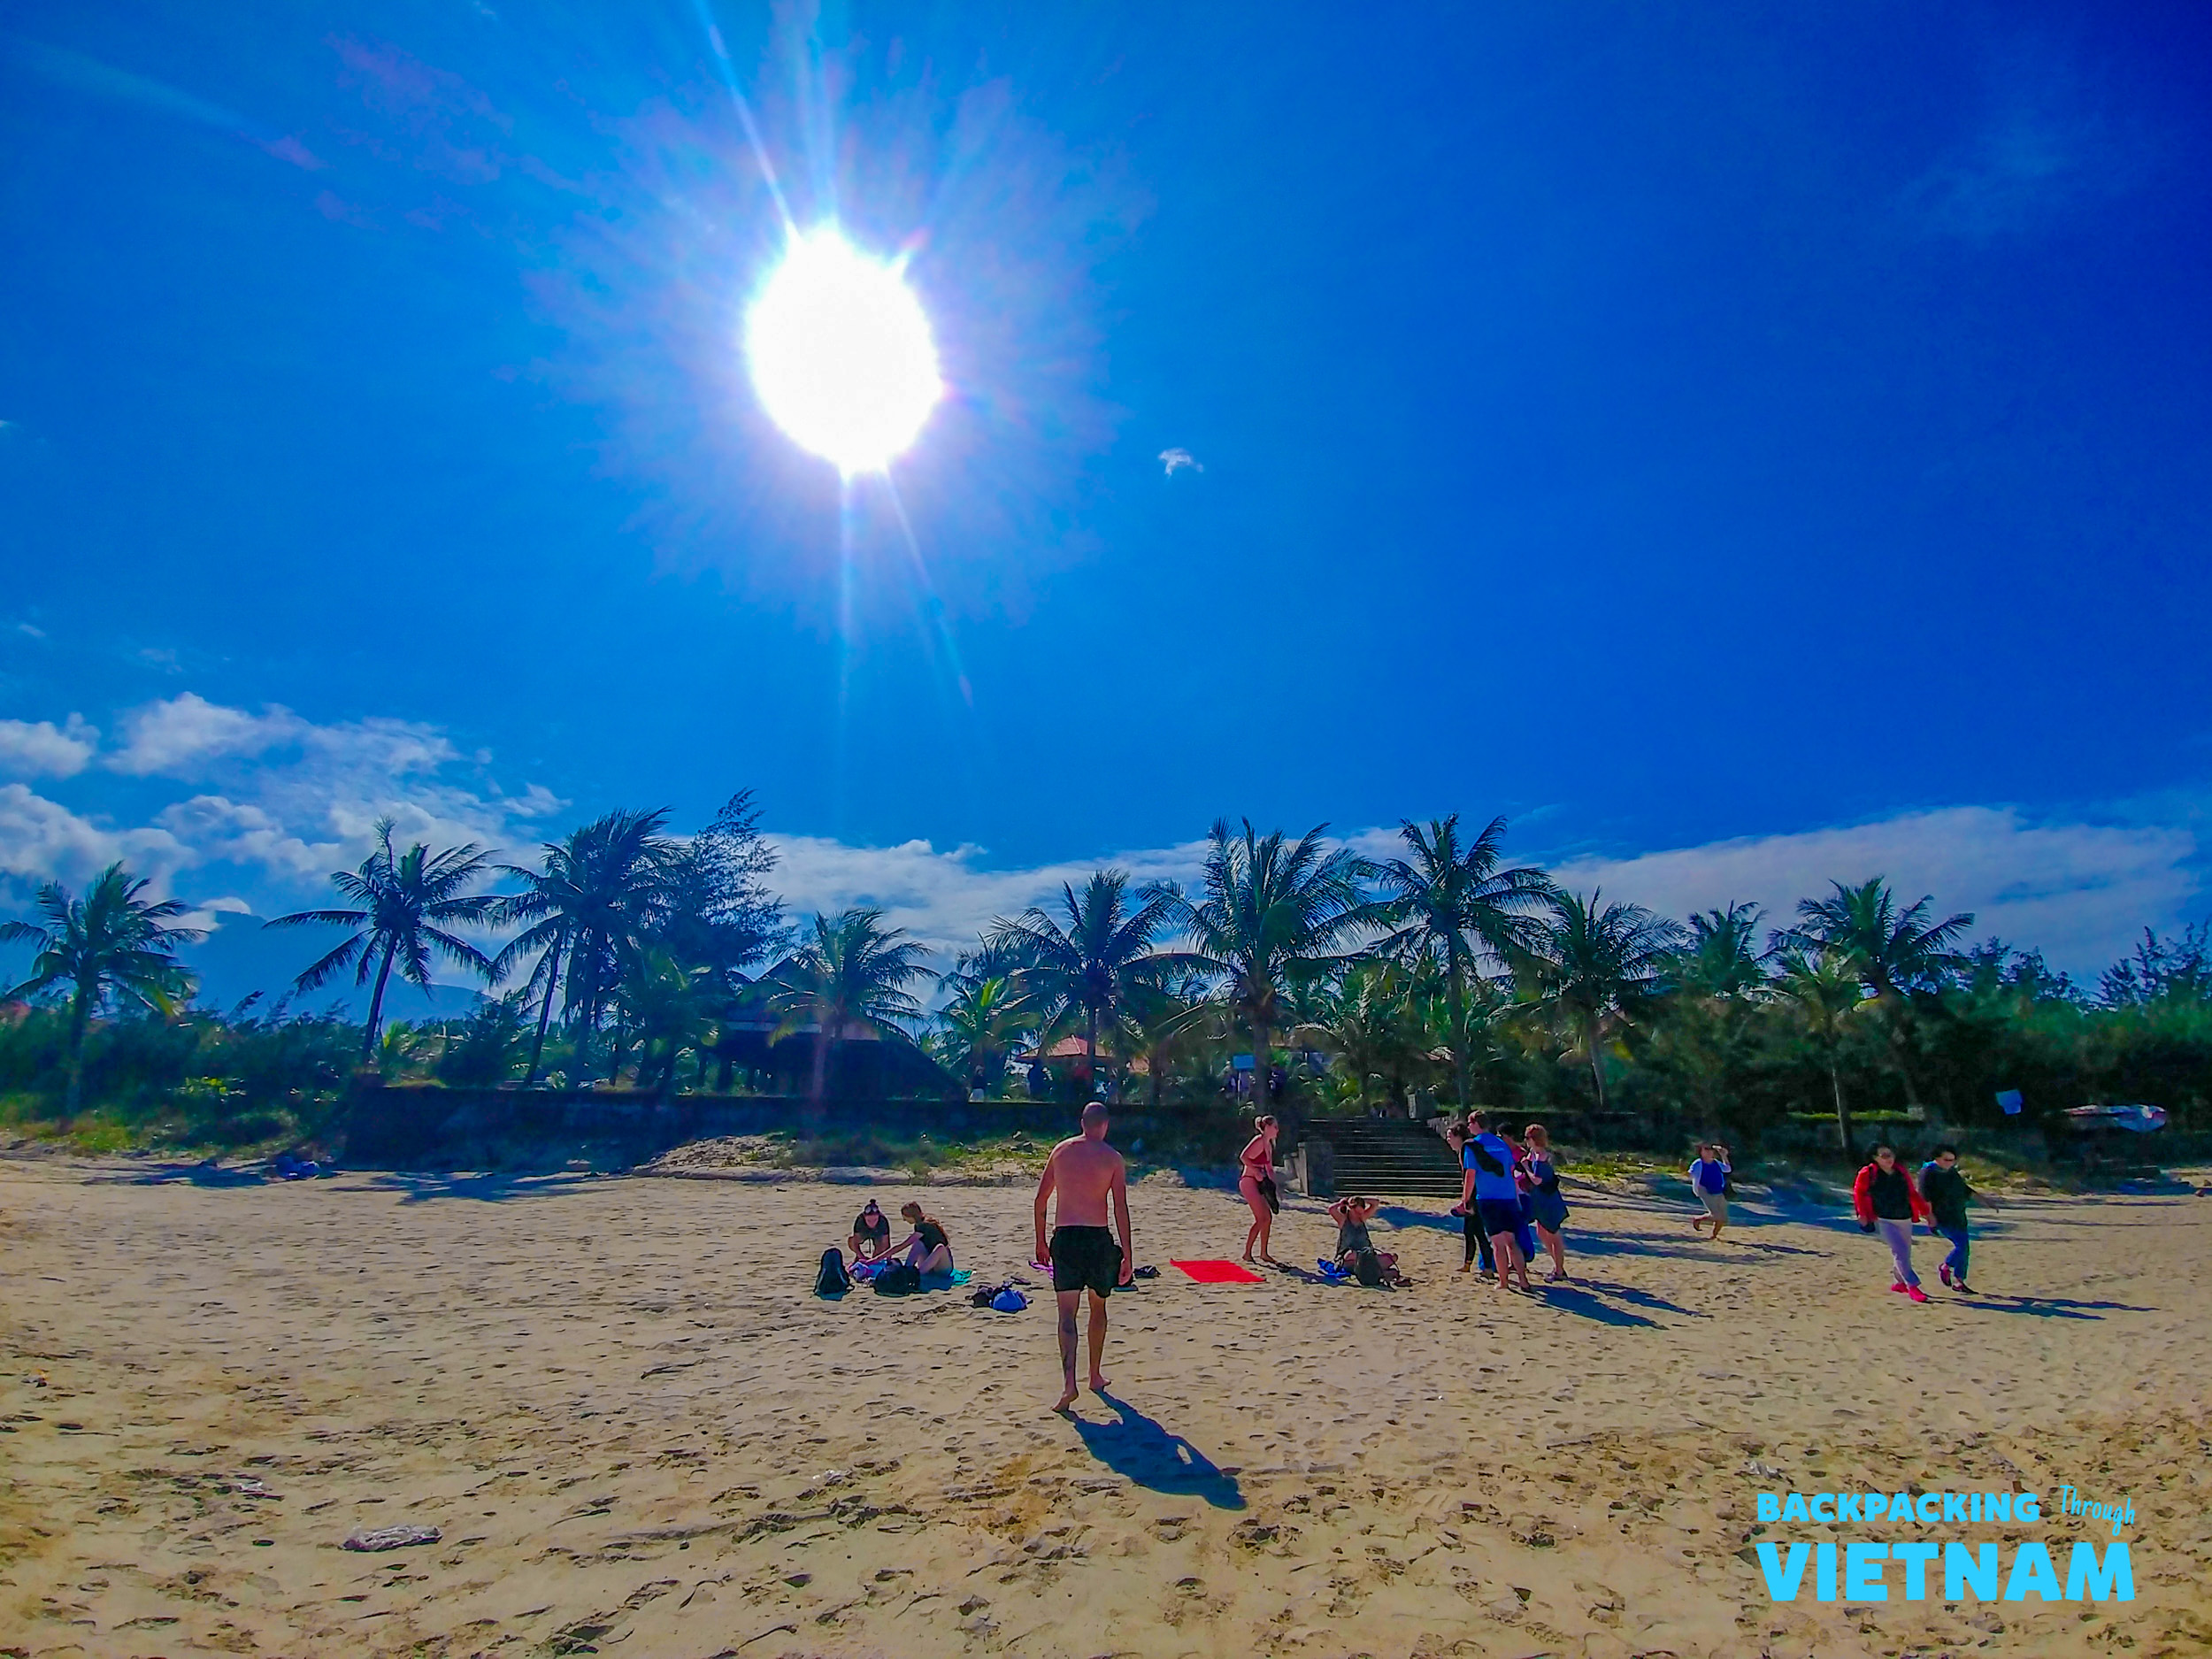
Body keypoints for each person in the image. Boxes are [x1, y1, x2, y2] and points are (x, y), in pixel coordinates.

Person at [1033, 1102, 1135, 1412]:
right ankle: (1094, 1375)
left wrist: (1040, 1241)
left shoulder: (1061, 1151)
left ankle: (1068, 1385)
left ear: (1082, 1122)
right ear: (1105, 1125)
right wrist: (1128, 1255)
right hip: (1097, 1239)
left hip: (1065, 1237)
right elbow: (1120, 1208)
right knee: (1098, 1306)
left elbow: (1040, 1201)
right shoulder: (1113, 1159)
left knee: (1066, 1314)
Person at [1852, 1142, 1933, 1302]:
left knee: (1905, 1252)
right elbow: (1859, 1194)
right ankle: (1913, 1286)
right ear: (1875, 1158)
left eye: (1891, 1155)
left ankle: (1899, 1283)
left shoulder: (1900, 1171)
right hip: (1883, 1218)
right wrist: (1862, 1214)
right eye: (1884, 1156)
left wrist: (1926, 1212)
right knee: (1900, 1251)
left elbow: (1912, 1193)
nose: (1889, 1159)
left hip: (1904, 1216)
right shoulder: (1868, 1173)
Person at [1463, 1111, 1532, 1291]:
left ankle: (1504, 1282)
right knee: (1511, 1240)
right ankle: (1523, 1280)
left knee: (1498, 1243)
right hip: (1508, 1196)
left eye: (1470, 1123)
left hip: (1488, 1197)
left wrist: (1465, 1199)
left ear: (1476, 1124)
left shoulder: (1473, 1146)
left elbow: (1470, 1174)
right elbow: (1510, 1169)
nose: (1468, 1127)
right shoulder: (1501, 1143)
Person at [1918, 1144, 1996, 1293]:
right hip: (1942, 1216)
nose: (1950, 1163)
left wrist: (1985, 1201)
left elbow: (1964, 1189)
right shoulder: (1927, 1173)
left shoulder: (1951, 1172)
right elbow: (1924, 1198)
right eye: (1947, 1160)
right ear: (1937, 1158)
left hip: (1958, 1214)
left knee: (1965, 1249)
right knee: (1961, 1246)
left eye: (1953, 1160)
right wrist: (1930, 1218)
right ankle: (1945, 1266)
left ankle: (1960, 1281)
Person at [1444, 1124, 1496, 1276]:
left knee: (1477, 1233)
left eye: (1450, 1137)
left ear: (1459, 1137)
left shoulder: (1466, 1150)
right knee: (1471, 1232)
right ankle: (1469, 1264)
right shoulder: (1467, 1149)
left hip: (1475, 1197)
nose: (1448, 1140)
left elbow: (1470, 1177)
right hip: (1476, 1195)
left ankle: (1486, 1267)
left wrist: (1466, 1201)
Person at [1521, 1124, 1571, 1281]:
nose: (1526, 1141)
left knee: (1553, 1234)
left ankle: (1559, 1270)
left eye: (1528, 1138)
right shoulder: (1534, 1154)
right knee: (1542, 1232)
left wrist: (1526, 1168)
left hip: (1549, 1201)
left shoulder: (1543, 1156)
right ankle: (1557, 1266)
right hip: (1540, 1201)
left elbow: (1537, 1180)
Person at [1325, 1194, 1404, 1284]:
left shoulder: (1362, 1218)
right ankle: (1381, 1272)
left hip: (1367, 1256)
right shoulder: (1343, 1220)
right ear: (1351, 1209)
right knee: (1353, 1255)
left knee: (1393, 1257)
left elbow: (1375, 1203)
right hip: (1348, 1257)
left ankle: (1378, 1271)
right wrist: (1344, 1202)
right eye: (1357, 1212)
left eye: (1361, 1212)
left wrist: (1361, 1199)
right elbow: (1332, 1209)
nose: (1360, 1215)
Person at [1237, 1113, 1282, 1266]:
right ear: (1267, 1127)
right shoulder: (1258, 1140)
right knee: (1261, 1218)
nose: (1277, 1130)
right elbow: (1243, 1157)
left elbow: (1269, 1167)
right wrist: (1255, 1171)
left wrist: (1275, 1187)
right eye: (1275, 1127)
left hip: (1259, 1183)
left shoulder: (1268, 1145)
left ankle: (1264, 1253)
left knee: (1268, 1218)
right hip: (1249, 1181)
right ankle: (1247, 1253)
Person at [887, 1202, 955, 1277]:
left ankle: (917, 1275)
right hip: (929, 1263)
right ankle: (907, 1269)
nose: (904, 1220)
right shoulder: (918, 1225)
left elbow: (903, 1245)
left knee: (940, 1247)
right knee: (918, 1243)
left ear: (911, 1216)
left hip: (943, 1267)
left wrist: (878, 1258)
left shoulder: (925, 1226)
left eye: (905, 1217)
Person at [1688, 1142, 1732, 1240]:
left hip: (1718, 1191)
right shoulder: (1698, 1163)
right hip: (1704, 1190)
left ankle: (1714, 1236)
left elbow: (1727, 1169)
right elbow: (1690, 1174)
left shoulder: (1716, 1162)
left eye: (1710, 1150)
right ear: (1701, 1152)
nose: (1709, 1152)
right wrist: (1684, 1171)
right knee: (1716, 1215)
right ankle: (1697, 1219)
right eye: (1706, 1149)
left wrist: (1724, 1156)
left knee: (1723, 1218)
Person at [849, 1198, 892, 1263]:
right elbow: (855, 1242)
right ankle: (859, 1258)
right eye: (869, 1220)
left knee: (881, 1247)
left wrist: (887, 1260)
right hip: (864, 1231)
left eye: (875, 1220)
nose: (872, 1223)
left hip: (878, 1232)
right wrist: (861, 1256)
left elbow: (887, 1245)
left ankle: (875, 1260)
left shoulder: (883, 1221)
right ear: (864, 1217)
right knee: (851, 1241)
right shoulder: (860, 1221)